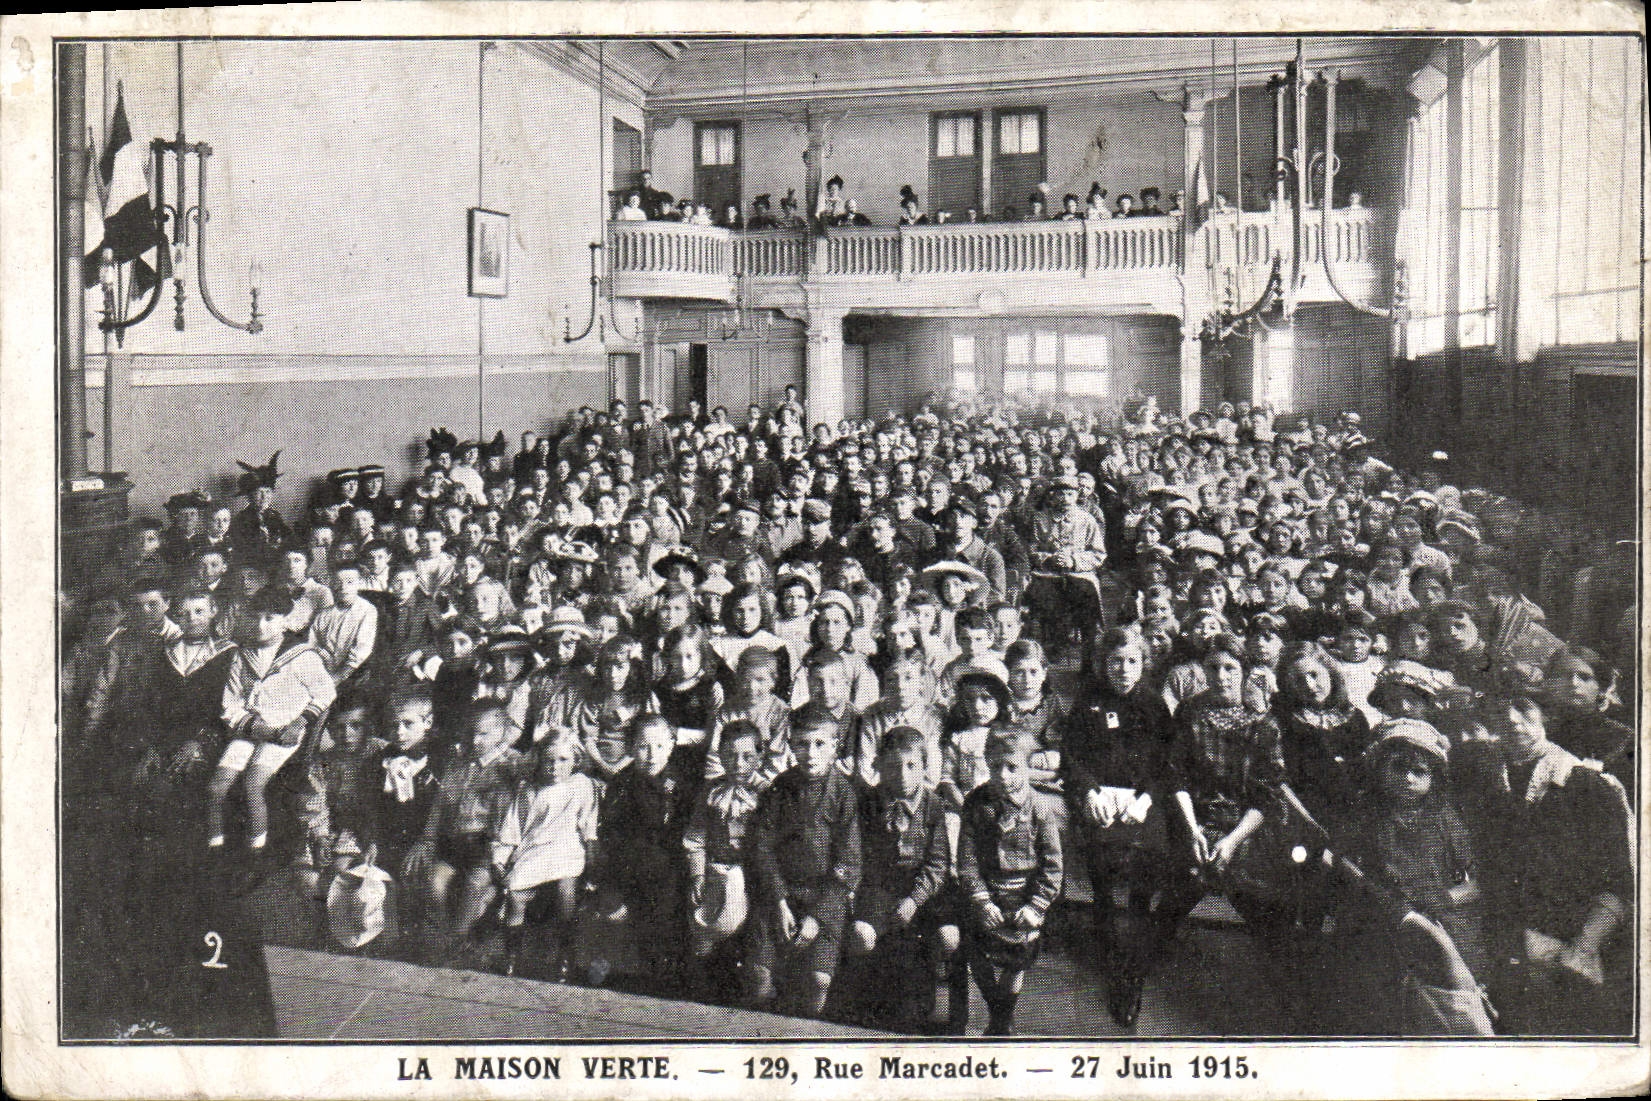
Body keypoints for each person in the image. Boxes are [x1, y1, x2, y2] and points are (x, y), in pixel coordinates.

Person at [747, 702, 862, 1016]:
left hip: (824, 899)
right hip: (780, 893)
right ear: (790, 746)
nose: (810, 753)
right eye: (802, 744)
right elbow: (762, 846)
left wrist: (816, 916)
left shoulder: (844, 794)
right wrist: (780, 900)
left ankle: (809, 1028)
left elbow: (848, 864)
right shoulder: (781, 787)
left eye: (819, 744)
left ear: (835, 747)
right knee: (758, 979)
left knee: (818, 980)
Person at [208, 587, 336, 866]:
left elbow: (326, 693)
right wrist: (253, 725)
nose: (261, 625)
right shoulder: (242, 656)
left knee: (253, 784)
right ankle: (215, 850)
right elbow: (230, 704)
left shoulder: (301, 656)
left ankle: (256, 852)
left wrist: (299, 722)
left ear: (285, 621)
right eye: (256, 618)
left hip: (285, 734)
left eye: (270, 618)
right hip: (253, 730)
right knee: (217, 788)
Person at [849, 726, 964, 1032]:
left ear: (925, 768)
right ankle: (865, 999)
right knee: (866, 934)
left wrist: (914, 900)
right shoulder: (867, 804)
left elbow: (938, 864)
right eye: (892, 766)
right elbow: (862, 859)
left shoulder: (934, 806)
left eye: (912, 765)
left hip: (926, 888)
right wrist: (879, 896)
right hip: (881, 886)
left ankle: (939, 1000)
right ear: (878, 767)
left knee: (947, 935)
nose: (902, 774)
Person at [957, 730, 1063, 1035]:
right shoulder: (977, 803)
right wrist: (981, 899)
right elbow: (967, 860)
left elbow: (1052, 866)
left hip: (1024, 896)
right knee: (974, 950)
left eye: (1012, 767)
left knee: (1016, 960)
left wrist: (1036, 906)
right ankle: (998, 1012)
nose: (1002, 776)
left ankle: (1001, 1019)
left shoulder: (1040, 808)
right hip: (987, 892)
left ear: (1028, 767)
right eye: (994, 767)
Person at [403, 700, 523, 954]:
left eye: (483, 733)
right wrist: (427, 839)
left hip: (488, 846)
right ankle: (449, 933)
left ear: (502, 732)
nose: (475, 740)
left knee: (474, 884)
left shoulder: (512, 765)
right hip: (456, 843)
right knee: (435, 882)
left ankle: (459, 939)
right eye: (470, 733)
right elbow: (440, 805)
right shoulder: (459, 764)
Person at [592, 713, 696, 994]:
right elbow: (610, 831)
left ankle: (665, 976)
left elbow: (682, 829)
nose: (652, 755)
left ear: (672, 746)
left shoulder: (678, 783)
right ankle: (620, 971)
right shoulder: (623, 783)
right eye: (643, 747)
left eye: (660, 747)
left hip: (666, 864)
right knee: (616, 910)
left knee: (666, 908)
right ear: (630, 747)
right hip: (627, 863)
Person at [492, 730, 600, 980]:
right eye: (549, 760)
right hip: (534, 850)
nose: (555, 767)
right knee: (516, 894)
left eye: (563, 760)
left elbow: (588, 825)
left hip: (567, 848)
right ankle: (512, 956)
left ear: (575, 760)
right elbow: (513, 829)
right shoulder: (528, 790)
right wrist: (500, 858)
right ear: (540, 760)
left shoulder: (582, 785)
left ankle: (565, 956)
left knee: (566, 891)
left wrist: (593, 857)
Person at [682, 720, 762, 999]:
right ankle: (700, 992)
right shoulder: (711, 792)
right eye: (730, 756)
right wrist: (698, 875)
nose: (738, 764)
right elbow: (696, 838)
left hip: (753, 876)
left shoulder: (766, 793)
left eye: (747, 756)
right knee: (703, 924)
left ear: (759, 757)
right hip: (716, 870)